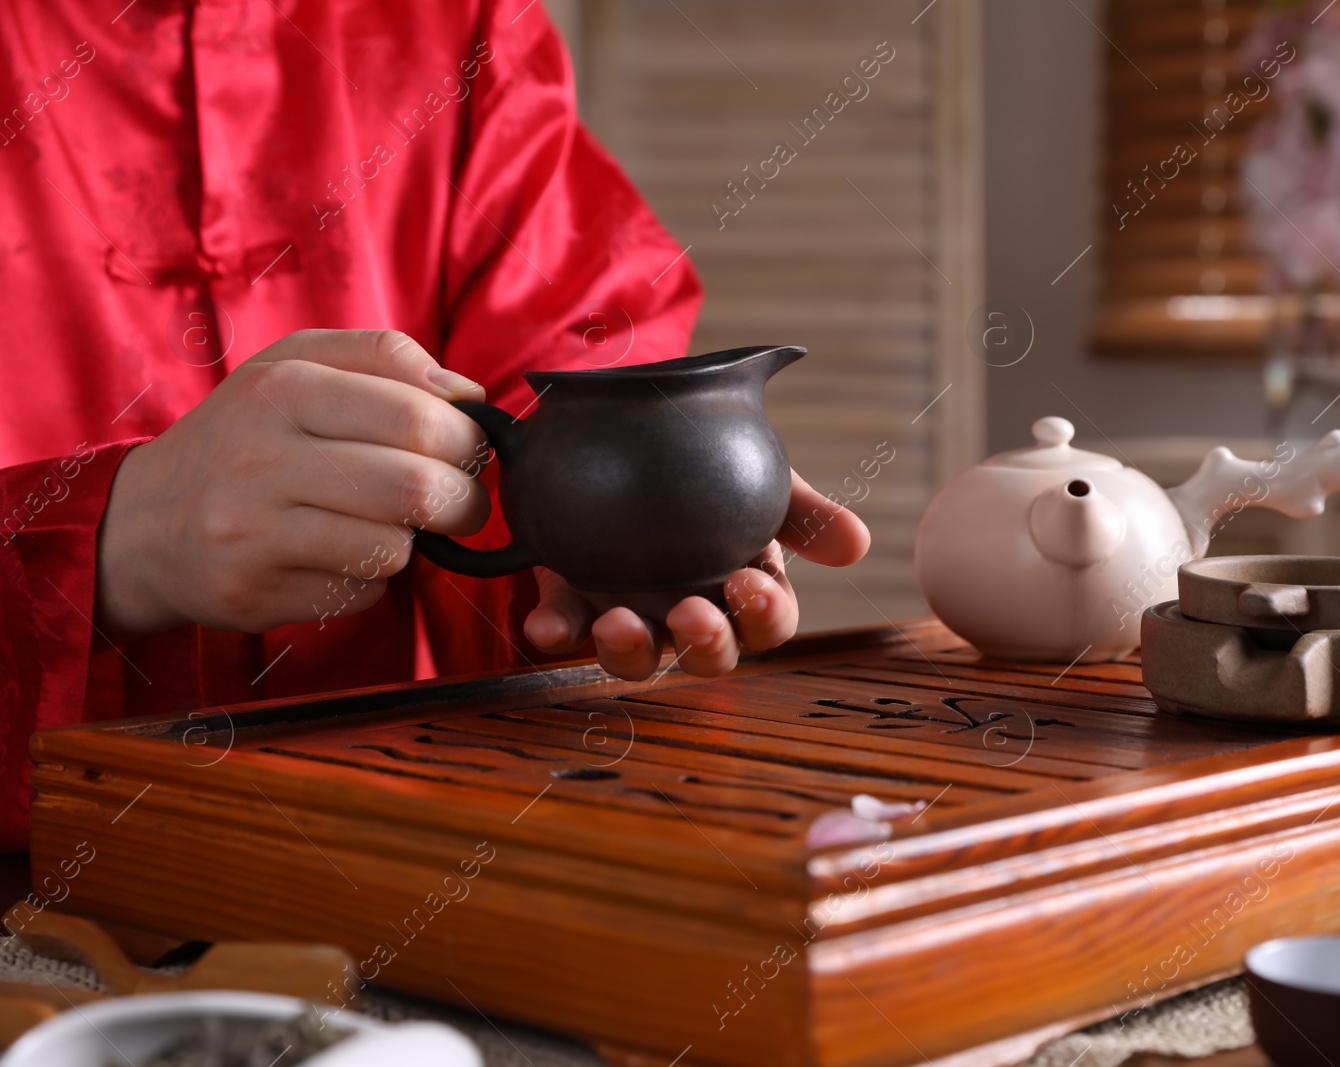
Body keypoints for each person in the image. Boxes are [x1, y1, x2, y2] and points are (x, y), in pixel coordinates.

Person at [0, 1, 869, 850]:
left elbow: (567, 339)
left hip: (381, 836)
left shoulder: (461, 24)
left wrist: (603, 527)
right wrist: (112, 543)